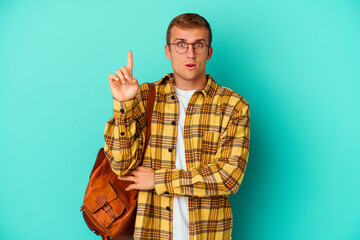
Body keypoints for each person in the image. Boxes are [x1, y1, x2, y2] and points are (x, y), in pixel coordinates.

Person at [104, 13, 250, 240]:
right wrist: (123, 105)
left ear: (209, 52)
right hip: (152, 230)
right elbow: (121, 166)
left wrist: (158, 180)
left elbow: (228, 177)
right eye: (181, 44)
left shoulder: (232, 105)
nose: (190, 53)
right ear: (168, 51)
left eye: (198, 45)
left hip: (209, 233)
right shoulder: (143, 96)